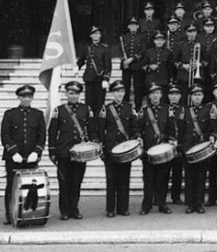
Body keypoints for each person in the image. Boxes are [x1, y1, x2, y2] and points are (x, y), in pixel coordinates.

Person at [48, 81, 97, 221]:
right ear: (66, 94)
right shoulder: (59, 110)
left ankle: (74, 209)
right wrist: (52, 151)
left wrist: (94, 142)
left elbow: (92, 129)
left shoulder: (86, 109)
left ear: (79, 95)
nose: (73, 96)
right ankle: (64, 210)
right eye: (71, 93)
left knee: (77, 182)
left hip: (81, 153)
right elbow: (52, 132)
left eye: (76, 93)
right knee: (64, 182)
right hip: (64, 152)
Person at [1, 84, 46, 225]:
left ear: (32, 98)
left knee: (31, 187)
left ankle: (29, 212)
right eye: (23, 96)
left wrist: (36, 152)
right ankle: (10, 213)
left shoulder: (38, 115)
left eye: (29, 96)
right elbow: (5, 135)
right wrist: (13, 152)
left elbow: (42, 136)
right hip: (14, 158)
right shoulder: (10, 114)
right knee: (11, 185)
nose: (26, 99)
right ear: (19, 97)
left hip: (31, 157)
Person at [98, 80, 139, 218]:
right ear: (112, 93)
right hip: (110, 149)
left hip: (125, 149)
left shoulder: (130, 108)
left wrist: (137, 137)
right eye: (116, 91)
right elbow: (101, 130)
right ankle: (110, 209)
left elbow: (134, 127)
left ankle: (123, 208)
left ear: (124, 93)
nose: (119, 94)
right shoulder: (106, 108)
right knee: (111, 180)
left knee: (124, 179)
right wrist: (102, 148)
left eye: (121, 91)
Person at [179, 85, 217, 214]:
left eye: (199, 95)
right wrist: (180, 146)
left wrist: (212, 137)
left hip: (202, 148)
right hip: (188, 147)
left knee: (201, 177)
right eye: (195, 95)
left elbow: (214, 128)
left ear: (202, 97)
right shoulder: (184, 110)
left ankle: (199, 203)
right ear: (191, 97)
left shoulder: (208, 110)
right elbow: (180, 130)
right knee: (189, 177)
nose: (197, 97)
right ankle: (190, 204)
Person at [139, 83, 175, 215]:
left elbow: (172, 129)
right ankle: (146, 205)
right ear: (149, 96)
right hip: (148, 150)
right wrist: (138, 138)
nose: (155, 95)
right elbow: (138, 129)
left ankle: (162, 204)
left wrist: (171, 139)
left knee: (162, 179)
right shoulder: (143, 111)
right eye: (153, 93)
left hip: (162, 150)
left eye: (157, 93)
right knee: (148, 180)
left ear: (161, 95)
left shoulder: (167, 110)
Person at [77, 26, 112, 115]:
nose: (96, 36)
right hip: (89, 78)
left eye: (98, 34)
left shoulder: (105, 48)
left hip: (99, 79)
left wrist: (106, 79)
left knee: (99, 104)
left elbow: (108, 65)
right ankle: (90, 126)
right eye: (94, 34)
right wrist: (77, 67)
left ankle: (98, 126)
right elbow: (82, 59)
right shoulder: (87, 48)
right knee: (89, 104)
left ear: (100, 36)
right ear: (91, 36)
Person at [119, 17, 148, 109]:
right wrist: (124, 60)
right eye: (131, 25)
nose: (133, 27)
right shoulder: (123, 37)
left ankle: (138, 108)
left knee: (137, 89)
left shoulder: (142, 37)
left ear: (138, 26)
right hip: (126, 66)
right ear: (128, 26)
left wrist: (132, 59)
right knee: (125, 88)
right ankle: (125, 108)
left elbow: (143, 51)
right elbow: (120, 50)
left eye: (135, 25)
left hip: (137, 65)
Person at [165, 85, 185, 204]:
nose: (174, 96)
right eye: (172, 94)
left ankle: (176, 196)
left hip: (179, 145)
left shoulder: (184, 109)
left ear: (180, 96)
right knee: (164, 172)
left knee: (177, 173)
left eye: (176, 94)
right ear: (168, 96)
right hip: (167, 145)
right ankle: (160, 196)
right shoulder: (164, 109)